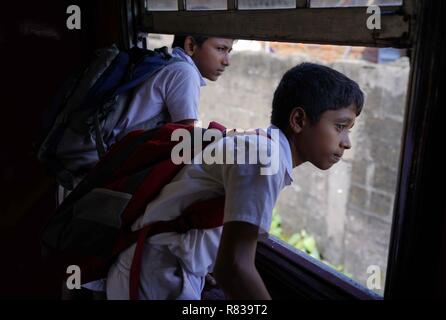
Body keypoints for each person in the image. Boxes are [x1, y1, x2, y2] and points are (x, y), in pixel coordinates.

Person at [103, 62, 365, 300]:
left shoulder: (259, 145)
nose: (347, 143)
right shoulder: (265, 158)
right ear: (298, 120)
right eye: (340, 126)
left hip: (160, 269)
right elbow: (233, 268)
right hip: (155, 278)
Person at [56, 35, 234, 202]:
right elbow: (186, 141)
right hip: (100, 163)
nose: (227, 61)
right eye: (220, 49)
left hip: (83, 151)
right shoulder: (184, 72)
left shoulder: (167, 61)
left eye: (229, 51)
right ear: (190, 45)